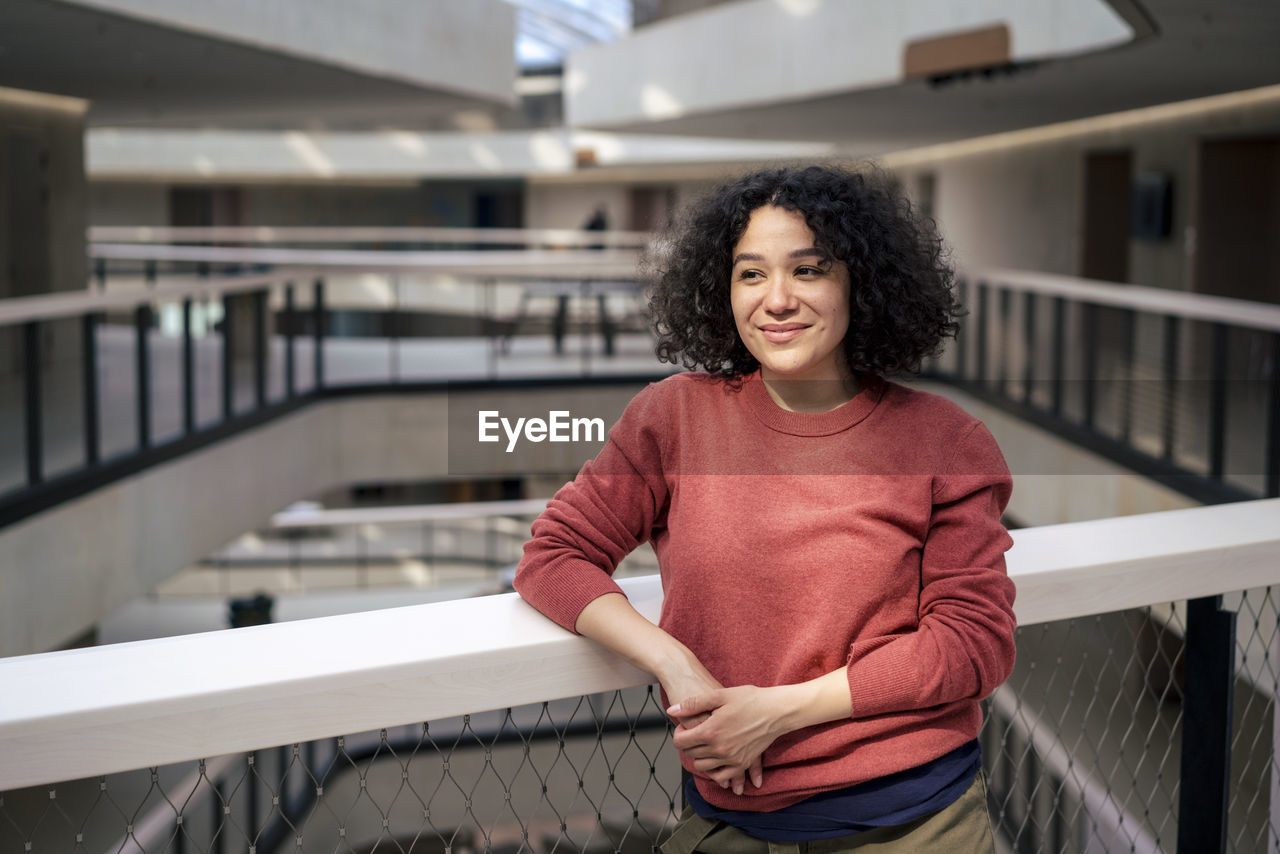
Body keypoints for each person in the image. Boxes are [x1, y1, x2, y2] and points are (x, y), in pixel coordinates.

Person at [513, 164, 1015, 852]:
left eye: (808, 270)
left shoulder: (945, 440)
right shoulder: (673, 418)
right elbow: (554, 557)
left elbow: (972, 643)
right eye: (751, 274)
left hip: (919, 825)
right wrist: (673, 662)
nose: (775, 299)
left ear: (860, 284)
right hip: (730, 820)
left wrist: (775, 712)